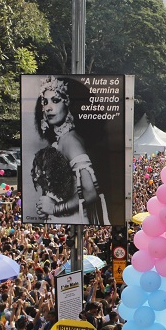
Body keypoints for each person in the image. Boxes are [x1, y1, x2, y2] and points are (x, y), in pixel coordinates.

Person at [32, 76, 110, 225]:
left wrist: (55, 209)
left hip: (72, 219)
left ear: (67, 103)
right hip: (64, 222)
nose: (49, 107)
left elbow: (91, 192)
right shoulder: (64, 139)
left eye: (55, 100)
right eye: (45, 102)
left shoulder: (70, 141)